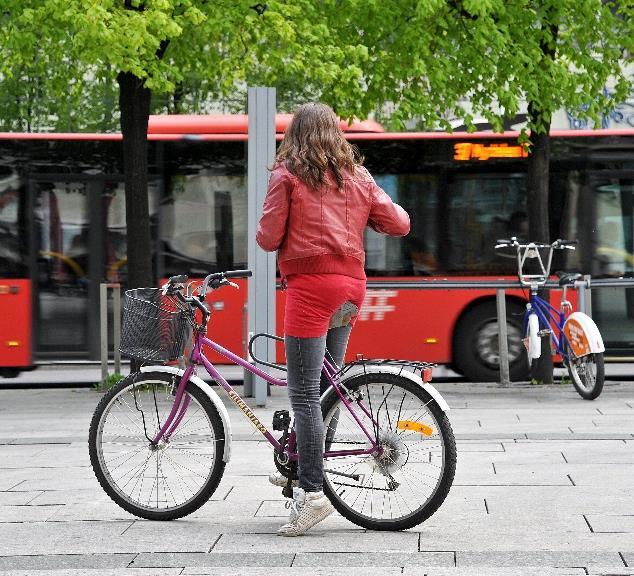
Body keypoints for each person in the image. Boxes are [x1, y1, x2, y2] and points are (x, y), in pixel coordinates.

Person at [256, 103, 410, 537]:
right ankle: (308, 466)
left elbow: (267, 238)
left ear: (294, 136)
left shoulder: (287, 176)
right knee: (329, 387)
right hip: (351, 289)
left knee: (303, 393)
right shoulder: (358, 177)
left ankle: (312, 492)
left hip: (310, 289)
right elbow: (398, 223)